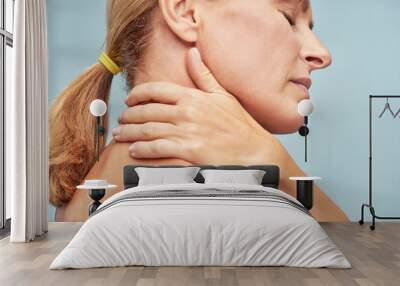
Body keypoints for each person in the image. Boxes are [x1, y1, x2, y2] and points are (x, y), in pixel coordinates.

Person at [50, 0, 349, 222]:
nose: (322, 54)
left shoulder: (92, 183)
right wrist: (275, 165)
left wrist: (271, 158)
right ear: (186, 12)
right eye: (288, 17)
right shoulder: (198, 181)